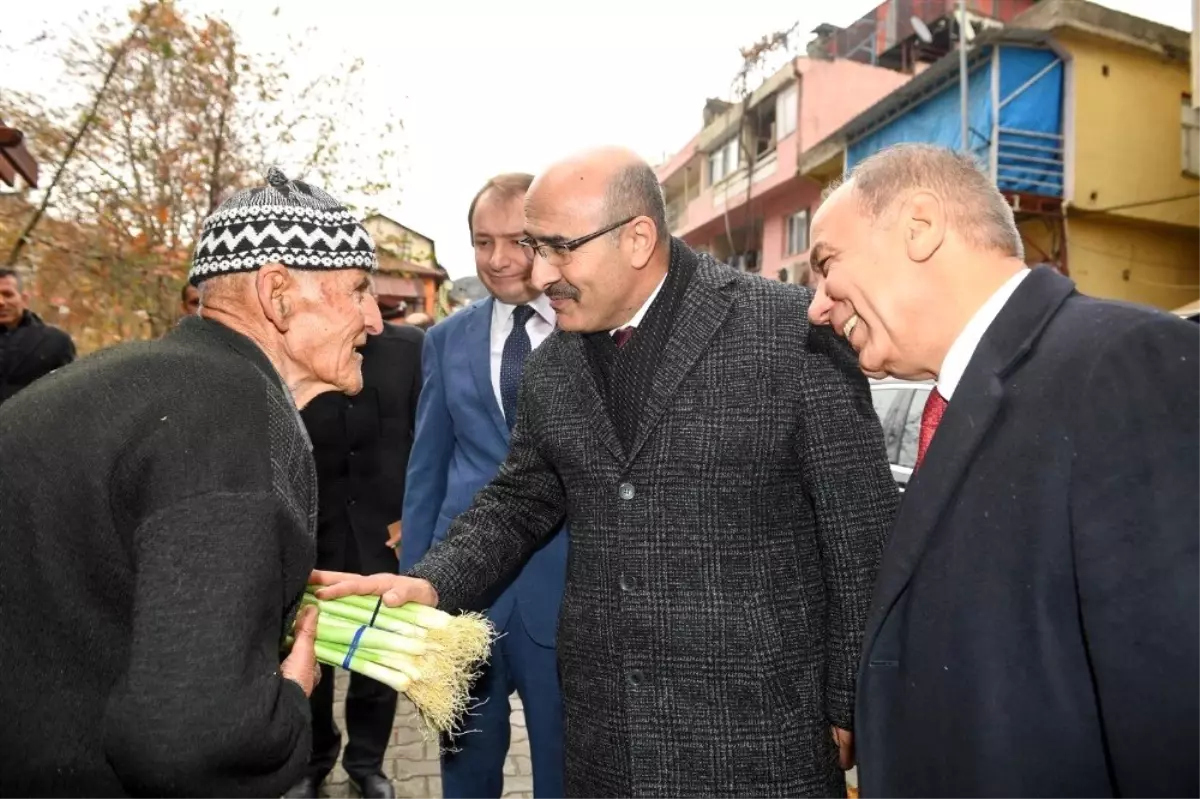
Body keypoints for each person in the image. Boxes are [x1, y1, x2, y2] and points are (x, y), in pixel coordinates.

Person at [314, 146, 898, 798]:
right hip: (605, 736)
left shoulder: (787, 331)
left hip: (759, 729)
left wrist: (851, 697)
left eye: (559, 249)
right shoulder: (554, 366)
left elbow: (860, 528)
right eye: (535, 248)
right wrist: (427, 584)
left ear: (638, 238)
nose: (539, 274)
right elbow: (519, 498)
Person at [805, 143, 1200, 798]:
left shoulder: (1125, 362)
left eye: (826, 265)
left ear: (921, 227)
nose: (817, 305)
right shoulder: (968, 398)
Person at [0, 167, 382, 799]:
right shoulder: (230, 419)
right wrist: (288, 708)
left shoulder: (150, 380)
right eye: (359, 289)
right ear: (277, 292)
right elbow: (187, 742)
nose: (374, 317)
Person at [400, 172, 567, 799]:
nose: (498, 260)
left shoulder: (589, 333)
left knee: (566, 764)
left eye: (517, 241)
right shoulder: (445, 341)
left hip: (565, 589)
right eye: (481, 242)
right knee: (466, 767)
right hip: (463, 594)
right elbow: (427, 470)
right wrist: (420, 588)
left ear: (547, 241)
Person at [285, 312, 425, 799]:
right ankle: (313, 760)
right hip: (311, 537)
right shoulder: (292, 347)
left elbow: (427, 439)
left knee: (375, 663)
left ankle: (367, 763)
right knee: (308, 656)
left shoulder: (410, 348)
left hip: (385, 537)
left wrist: (415, 515)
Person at [0, 266, 75, 406]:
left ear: (23, 298)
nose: (1, 302)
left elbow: (68, 398)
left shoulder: (55, 342)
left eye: (8, 294)